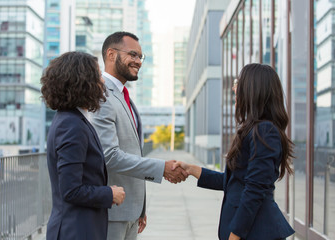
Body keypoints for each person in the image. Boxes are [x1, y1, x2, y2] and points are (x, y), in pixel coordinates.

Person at [174, 63, 295, 240]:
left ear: (253, 88)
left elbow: (254, 189)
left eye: (238, 82)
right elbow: (235, 181)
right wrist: (192, 169)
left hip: (256, 232)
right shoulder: (254, 128)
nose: (234, 87)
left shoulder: (265, 131)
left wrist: (235, 236)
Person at [90, 31, 188, 240]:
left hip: (131, 212)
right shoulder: (101, 95)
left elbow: (132, 151)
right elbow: (110, 156)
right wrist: (162, 168)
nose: (138, 61)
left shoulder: (124, 96)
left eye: (140, 57)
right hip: (111, 213)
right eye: (132, 55)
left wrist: (140, 207)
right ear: (110, 54)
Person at [41, 51, 125, 240]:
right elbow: (71, 190)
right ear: (83, 82)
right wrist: (109, 193)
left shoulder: (70, 119)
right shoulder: (72, 125)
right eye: (98, 76)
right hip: (76, 231)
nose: (102, 82)